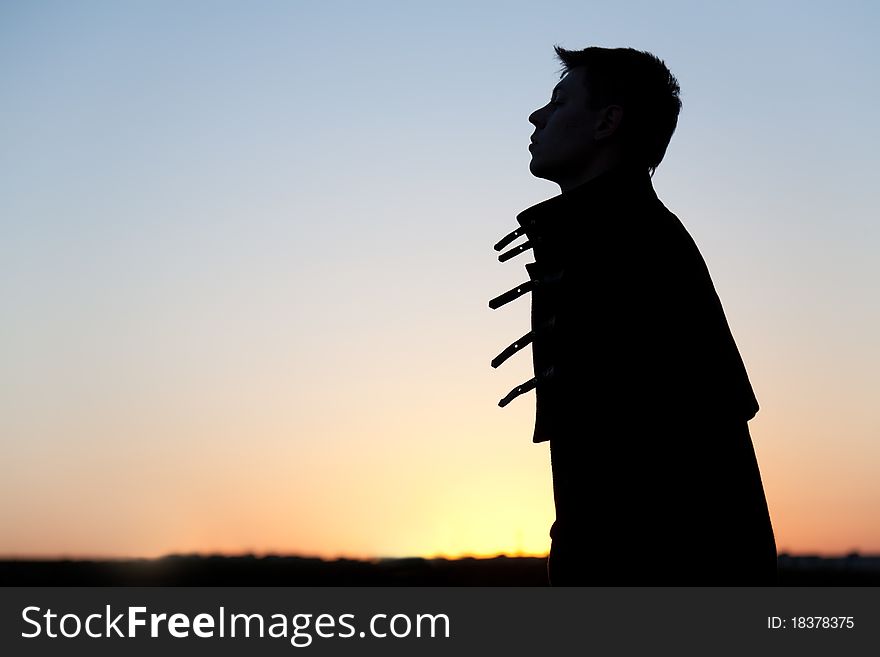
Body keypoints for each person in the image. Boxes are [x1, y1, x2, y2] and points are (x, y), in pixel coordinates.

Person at [489, 45, 777, 585]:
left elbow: (687, 457)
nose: (538, 116)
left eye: (558, 102)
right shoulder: (602, 237)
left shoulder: (634, 246)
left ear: (608, 122)